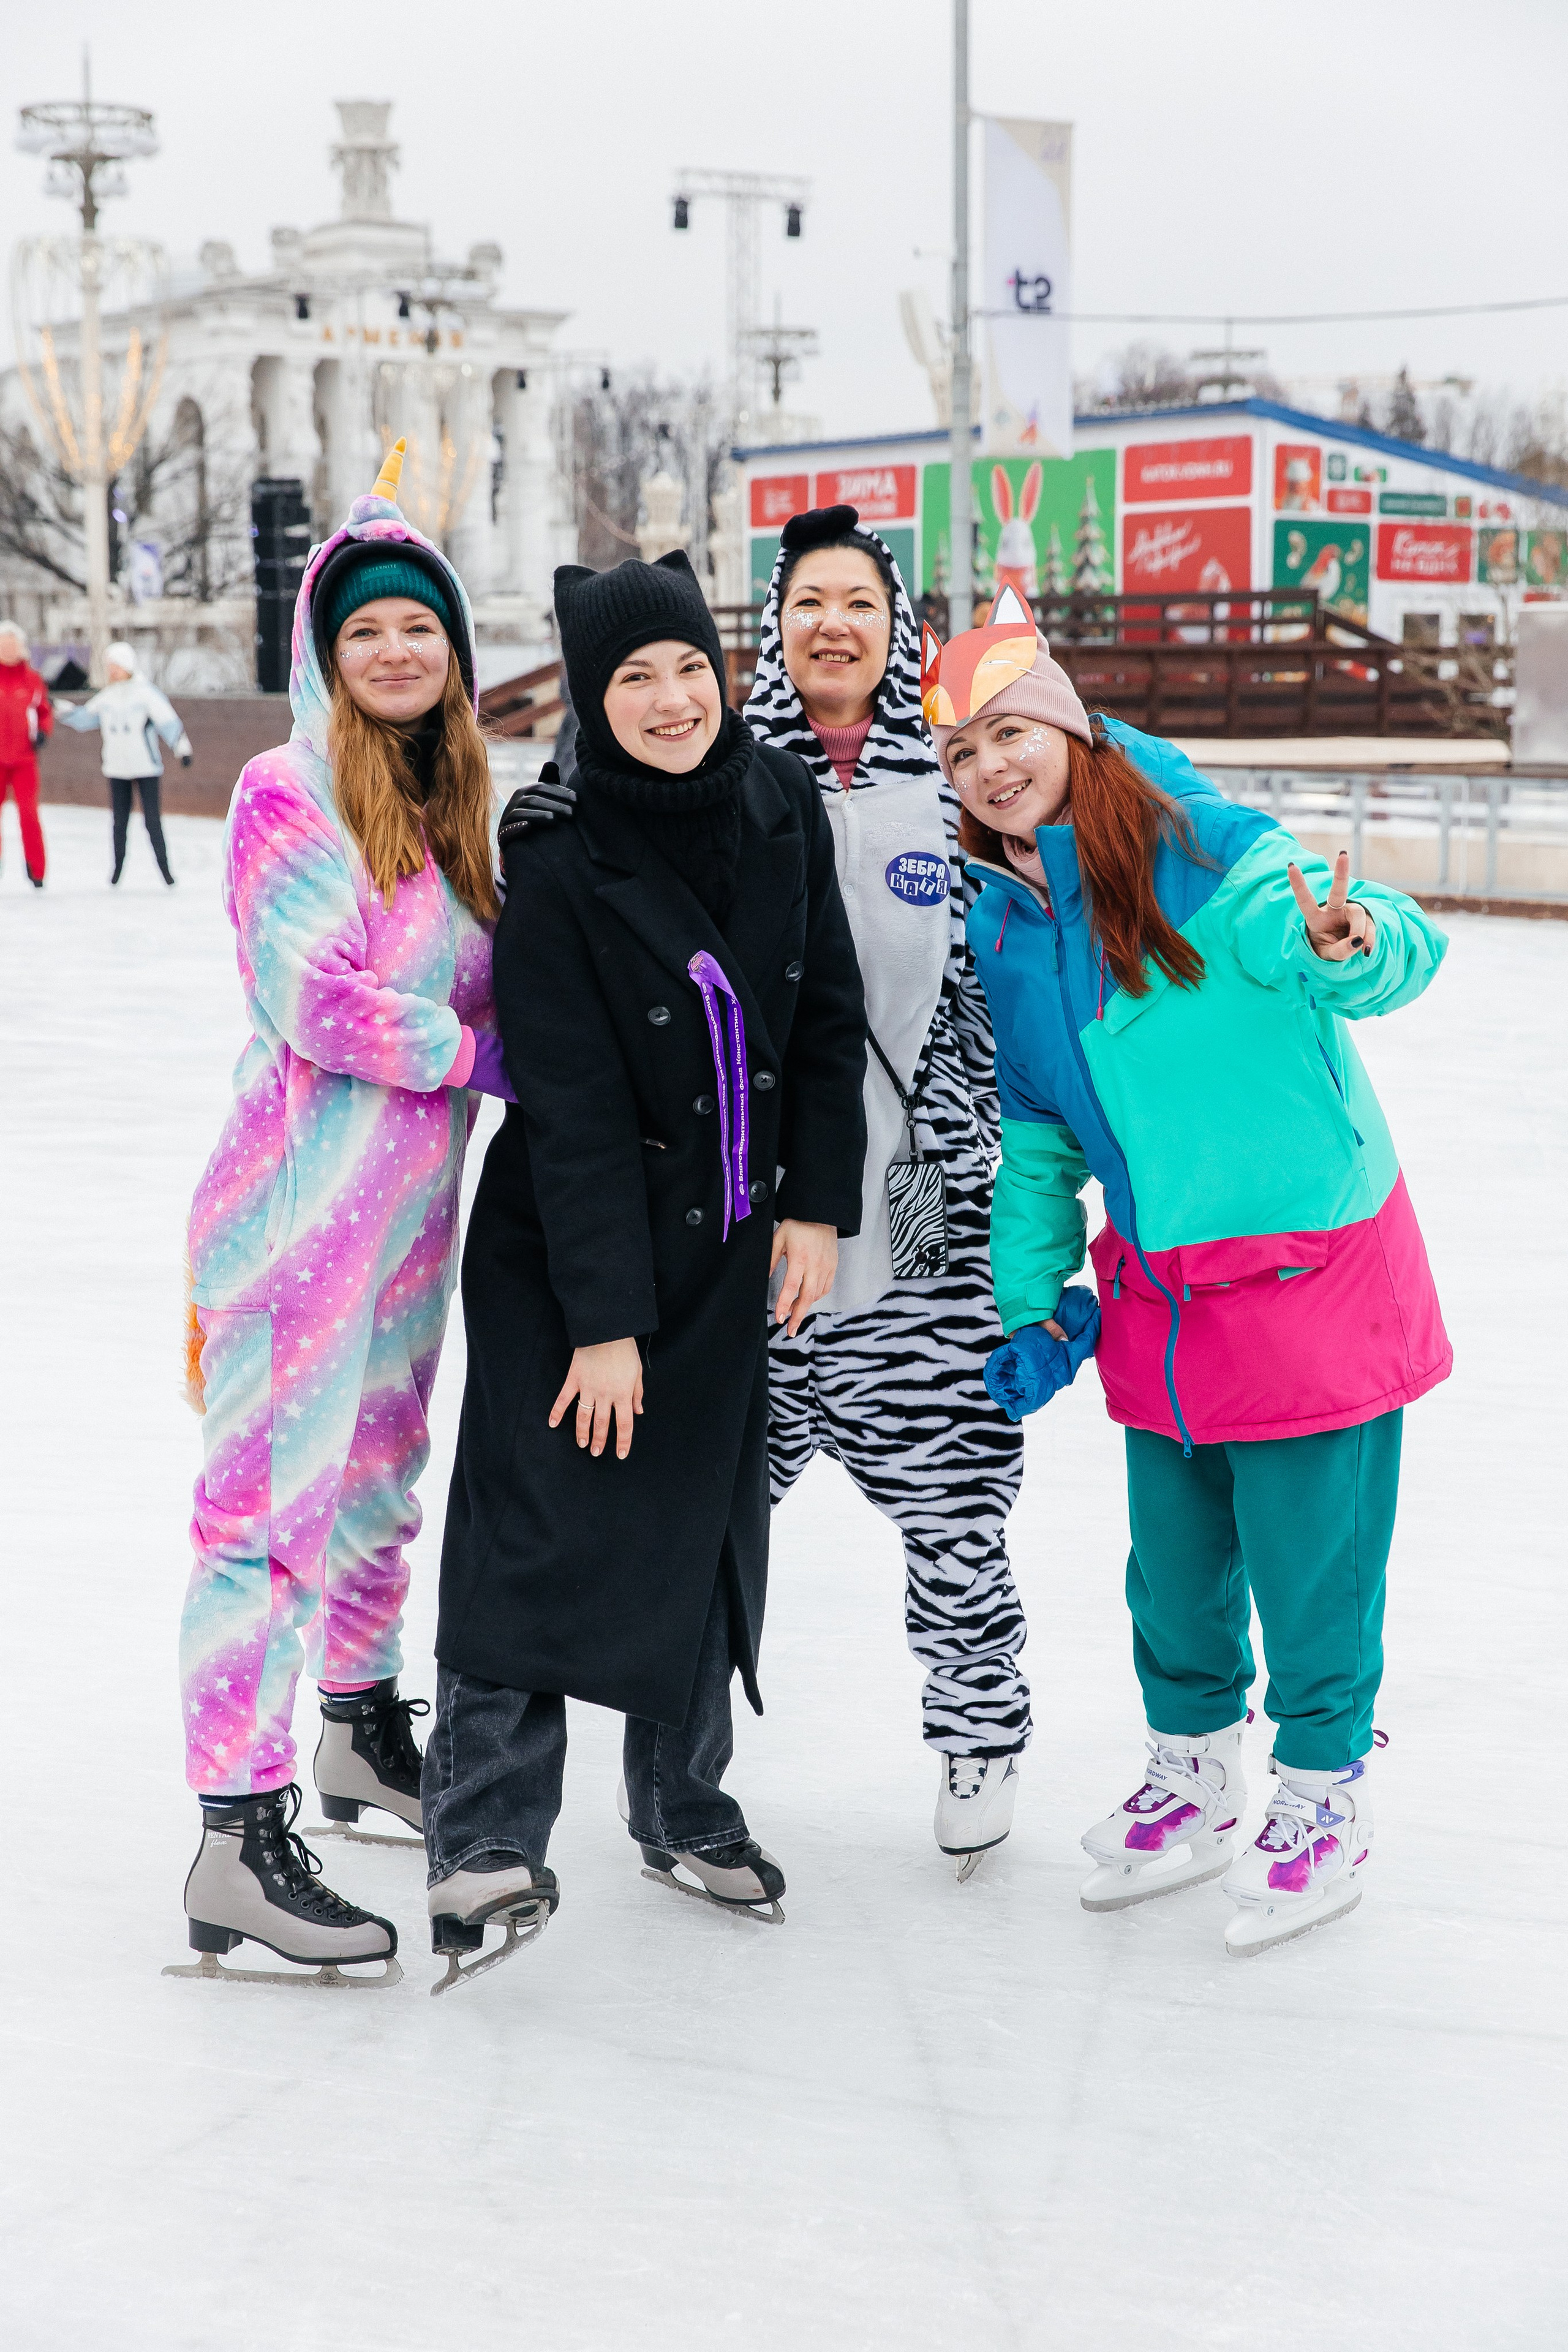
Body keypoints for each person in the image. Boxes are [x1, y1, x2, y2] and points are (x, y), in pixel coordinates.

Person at [927, 586, 1451, 1957]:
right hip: (1161, 1294)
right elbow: (1038, 1139)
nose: (991, 764)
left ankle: (1323, 1793)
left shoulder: (1200, 857)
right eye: (962, 750)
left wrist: (1351, 938)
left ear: (1065, 726)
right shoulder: (1002, 926)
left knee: (1310, 1564)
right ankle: (1192, 1771)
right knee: (1171, 1567)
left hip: (1303, 1275)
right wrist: (1032, 1301)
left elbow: (1361, 948)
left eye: (1009, 731)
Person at [426, 549, 867, 1986]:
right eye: (634, 677)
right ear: (590, 697)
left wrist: (815, 1202)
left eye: (687, 666)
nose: (671, 698)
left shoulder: (777, 800)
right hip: (572, 1250)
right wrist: (600, 1324)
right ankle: (485, 1832)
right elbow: (565, 1102)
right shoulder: (553, 850)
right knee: (537, 1519)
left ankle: (678, 1796)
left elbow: (824, 1011)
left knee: (700, 1519)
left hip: (732, 1241)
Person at [171, 441, 515, 1985]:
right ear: (325, 647)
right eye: (365, 628)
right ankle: (234, 1833)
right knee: (265, 1516)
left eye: (419, 629)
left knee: (382, 1474)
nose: (392, 649)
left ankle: (361, 1725)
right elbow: (313, 994)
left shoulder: (453, 804)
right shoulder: (282, 789)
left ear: (451, 654)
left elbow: (494, 977)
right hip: (295, 1216)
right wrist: (478, 1051)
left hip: (407, 1226)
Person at [744, 504, 1029, 1877]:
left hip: (916, 1205)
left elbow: (991, 1001)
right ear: (772, 627)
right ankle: (675, 1752)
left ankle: (977, 1729)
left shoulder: (956, 792)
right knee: (714, 1499)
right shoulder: (726, 782)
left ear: (894, 628)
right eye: (807, 603)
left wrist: (972, 1165)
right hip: (756, 1224)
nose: (832, 625)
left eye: (858, 601)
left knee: (951, 1491)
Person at [0, 620, 51, 888]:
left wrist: (43, 731)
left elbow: (44, 711)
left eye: (13, 644)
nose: (8, 650)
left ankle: (36, 869)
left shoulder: (32, 679)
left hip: (24, 760)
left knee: (29, 814)